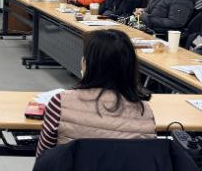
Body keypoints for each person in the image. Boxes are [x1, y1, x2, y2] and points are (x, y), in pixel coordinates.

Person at [37, 29, 155, 157]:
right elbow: (147, 160)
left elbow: (43, 159)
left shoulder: (60, 102)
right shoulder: (145, 111)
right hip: (126, 170)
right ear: (130, 67)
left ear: (87, 64)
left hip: (75, 170)